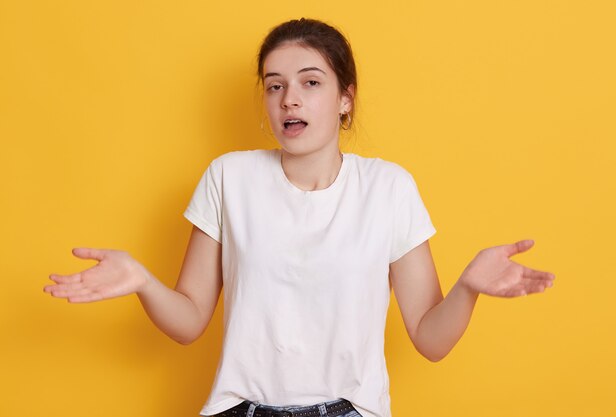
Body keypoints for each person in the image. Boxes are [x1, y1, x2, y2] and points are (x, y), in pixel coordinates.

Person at [44, 18, 555, 417]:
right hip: (240, 410)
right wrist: (141, 280)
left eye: (310, 82)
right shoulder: (229, 178)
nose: (289, 98)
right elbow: (189, 322)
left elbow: (429, 337)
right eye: (274, 85)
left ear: (344, 100)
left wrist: (466, 287)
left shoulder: (388, 187)